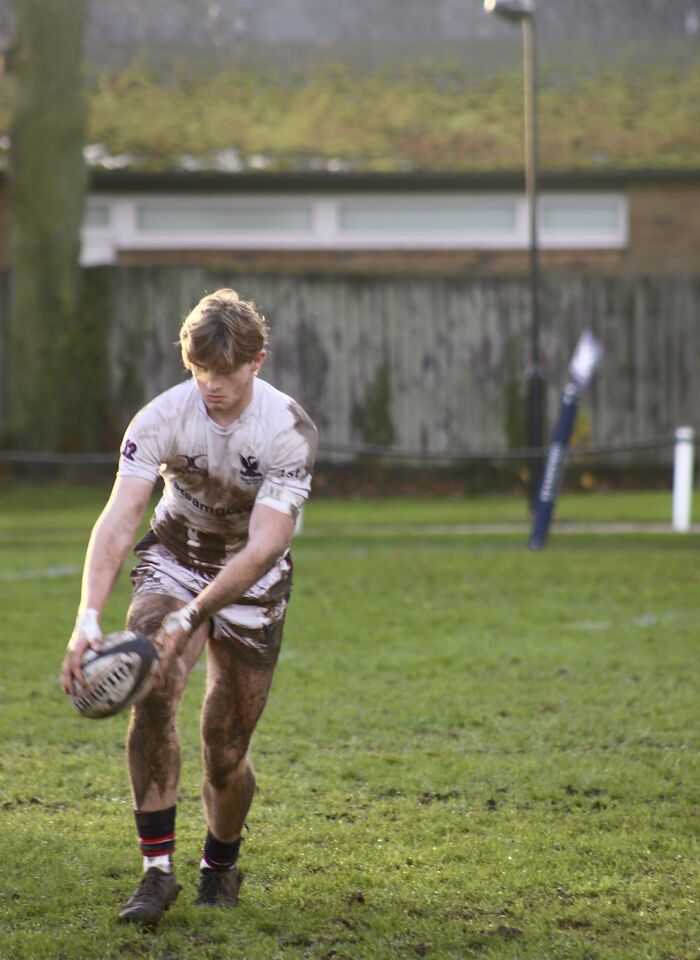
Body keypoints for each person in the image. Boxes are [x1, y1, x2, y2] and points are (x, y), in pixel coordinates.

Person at [61, 288, 318, 926]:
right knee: (154, 691)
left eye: (225, 372)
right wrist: (87, 617)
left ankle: (219, 864)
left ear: (256, 361)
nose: (211, 386)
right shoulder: (161, 418)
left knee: (224, 749)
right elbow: (121, 518)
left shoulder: (288, 429)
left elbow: (264, 547)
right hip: (175, 557)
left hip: (253, 581)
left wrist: (192, 615)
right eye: (199, 370)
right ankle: (156, 872)